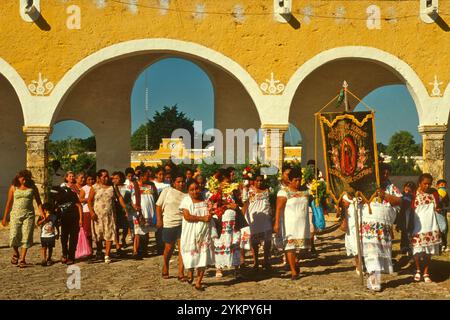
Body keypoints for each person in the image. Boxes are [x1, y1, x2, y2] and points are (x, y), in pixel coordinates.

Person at [360, 164, 402, 291]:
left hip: (383, 228)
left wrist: (385, 196)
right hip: (369, 227)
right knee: (371, 253)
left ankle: (373, 278)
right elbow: (357, 199)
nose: (385, 175)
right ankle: (374, 280)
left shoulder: (391, 187)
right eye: (382, 172)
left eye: (387, 173)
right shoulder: (367, 186)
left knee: (379, 254)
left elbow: (399, 201)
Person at [274, 167, 311, 280]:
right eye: (295, 180)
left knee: (303, 248)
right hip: (289, 224)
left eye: (299, 180)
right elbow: (279, 209)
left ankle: (296, 261)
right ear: (290, 180)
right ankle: (293, 271)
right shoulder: (283, 192)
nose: (298, 182)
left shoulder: (305, 191)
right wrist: (276, 223)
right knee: (290, 247)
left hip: (303, 224)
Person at [2, 170, 44, 268]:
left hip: (28, 215)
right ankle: (16, 253)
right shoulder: (13, 187)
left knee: (26, 236)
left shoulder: (32, 187)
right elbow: (9, 203)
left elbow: (38, 201)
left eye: (26, 178)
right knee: (14, 235)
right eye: (22, 178)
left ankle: (23, 259)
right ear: (18, 178)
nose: (24, 180)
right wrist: (5, 217)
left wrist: (42, 213)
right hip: (15, 215)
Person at [179, 181, 214, 291]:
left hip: (204, 232)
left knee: (203, 256)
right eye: (192, 189)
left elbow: (212, 210)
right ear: (188, 191)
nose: (195, 192)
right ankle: (190, 271)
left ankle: (199, 281)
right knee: (190, 254)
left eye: (196, 189)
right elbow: (187, 216)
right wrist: (202, 218)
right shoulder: (186, 200)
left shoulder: (205, 199)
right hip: (190, 232)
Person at [88, 169, 127, 263]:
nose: (106, 178)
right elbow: (89, 201)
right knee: (98, 235)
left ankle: (107, 254)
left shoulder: (112, 187)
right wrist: (92, 212)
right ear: (99, 177)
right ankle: (99, 251)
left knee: (109, 233)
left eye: (107, 176)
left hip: (109, 216)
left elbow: (119, 197)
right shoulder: (94, 187)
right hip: (97, 216)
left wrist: (125, 207)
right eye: (104, 176)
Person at [211, 169, 243, 279]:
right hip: (220, 219)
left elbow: (238, 204)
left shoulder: (234, 188)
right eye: (225, 180)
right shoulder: (214, 189)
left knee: (234, 241)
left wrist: (231, 205)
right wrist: (227, 205)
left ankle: (236, 267)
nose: (227, 183)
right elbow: (213, 204)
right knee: (220, 241)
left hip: (232, 220)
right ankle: (219, 267)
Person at [411, 173, 442, 283]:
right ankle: (418, 270)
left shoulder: (434, 193)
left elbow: (438, 206)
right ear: (420, 183)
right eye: (425, 184)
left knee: (429, 251)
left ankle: (426, 272)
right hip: (418, 226)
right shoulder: (414, 194)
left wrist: (438, 209)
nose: (427, 186)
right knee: (417, 249)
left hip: (431, 225)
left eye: (429, 184)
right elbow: (409, 209)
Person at [156, 173, 187, 280]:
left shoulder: (187, 194)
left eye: (183, 181)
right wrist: (159, 219)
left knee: (182, 248)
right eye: (178, 182)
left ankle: (181, 273)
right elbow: (159, 206)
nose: (181, 184)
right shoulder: (167, 191)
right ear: (174, 183)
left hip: (183, 224)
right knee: (169, 248)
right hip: (169, 223)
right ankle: (165, 266)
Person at [242, 173, 272, 270]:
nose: (259, 182)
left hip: (265, 217)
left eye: (261, 181)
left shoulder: (268, 190)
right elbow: (244, 203)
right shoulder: (249, 191)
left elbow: (270, 203)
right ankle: (256, 262)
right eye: (257, 180)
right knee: (254, 242)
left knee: (267, 240)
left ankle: (266, 260)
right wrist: (242, 218)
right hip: (254, 218)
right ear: (253, 181)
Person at [52, 185, 83, 265]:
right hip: (63, 220)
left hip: (74, 219)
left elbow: (79, 206)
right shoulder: (56, 198)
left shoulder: (71, 195)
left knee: (73, 238)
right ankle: (64, 254)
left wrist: (81, 219)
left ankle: (71, 257)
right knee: (63, 238)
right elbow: (55, 209)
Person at [133, 169, 158, 258]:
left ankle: (144, 250)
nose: (148, 178)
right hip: (140, 212)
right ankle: (138, 251)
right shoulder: (135, 185)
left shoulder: (151, 185)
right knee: (139, 232)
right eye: (147, 176)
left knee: (147, 231)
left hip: (150, 212)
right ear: (141, 176)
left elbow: (156, 197)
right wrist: (137, 210)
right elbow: (133, 200)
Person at [112, 171, 131, 256]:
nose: (115, 180)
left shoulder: (127, 187)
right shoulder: (111, 187)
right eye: (114, 178)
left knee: (125, 226)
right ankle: (117, 244)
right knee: (115, 227)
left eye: (117, 178)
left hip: (124, 209)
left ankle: (123, 238)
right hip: (115, 209)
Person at [153, 166, 170, 255]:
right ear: (156, 174)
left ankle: (165, 246)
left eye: (163, 174)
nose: (161, 176)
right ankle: (159, 247)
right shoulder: (153, 184)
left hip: (167, 209)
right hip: (157, 208)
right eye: (160, 174)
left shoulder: (168, 184)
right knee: (158, 228)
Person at [396, 181, 416, 256]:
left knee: (408, 233)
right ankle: (403, 247)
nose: (408, 188)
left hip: (408, 215)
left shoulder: (411, 196)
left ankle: (408, 248)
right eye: (406, 186)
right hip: (402, 216)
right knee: (403, 233)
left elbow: (405, 202)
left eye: (410, 187)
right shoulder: (401, 195)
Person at [37, 202, 59, 266]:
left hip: (51, 235)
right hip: (43, 235)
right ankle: (44, 259)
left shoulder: (54, 217)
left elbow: (56, 225)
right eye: (46, 210)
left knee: (50, 248)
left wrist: (57, 233)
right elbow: (38, 224)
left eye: (48, 210)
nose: (47, 212)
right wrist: (44, 219)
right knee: (44, 247)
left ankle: (49, 258)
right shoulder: (41, 217)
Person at [124, 167, 141, 245]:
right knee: (130, 223)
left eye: (132, 176)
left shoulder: (136, 182)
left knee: (135, 222)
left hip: (136, 204)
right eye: (129, 176)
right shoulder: (125, 183)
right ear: (126, 176)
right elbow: (127, 196)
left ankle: (135, 237)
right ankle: (130, 235)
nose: (130, 177)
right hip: (129, 205)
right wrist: (131, 205)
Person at [436, 179, 449, 252]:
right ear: (437, 186)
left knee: (445, 228)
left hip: (444, 211)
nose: (443, 186)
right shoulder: (437, 193)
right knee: (442, 228)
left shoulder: (445, 192)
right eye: (441, 185)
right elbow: (437, 201)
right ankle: (440, 244)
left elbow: (447, 202)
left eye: (444, 185)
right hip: (439, 212)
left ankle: (444, 244)